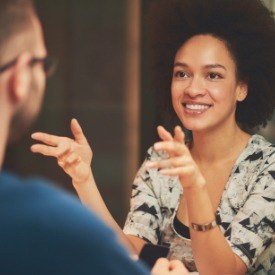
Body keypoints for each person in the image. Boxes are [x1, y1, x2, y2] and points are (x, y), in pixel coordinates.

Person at [31, 0, 275, 274]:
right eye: (181, 73)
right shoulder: (161, 159)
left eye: (213, 75)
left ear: (242, 87)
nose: (193, 89)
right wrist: (84, 180)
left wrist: (194, 187)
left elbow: (223, 271)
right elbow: (129, 254)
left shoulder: (267, 169)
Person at [0, 0, 191, 274]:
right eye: (42, 63)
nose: (194, 88)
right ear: (19, 76)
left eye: (213, 75)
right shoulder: (47, 222)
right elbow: (122, 256)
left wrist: (83, 178)